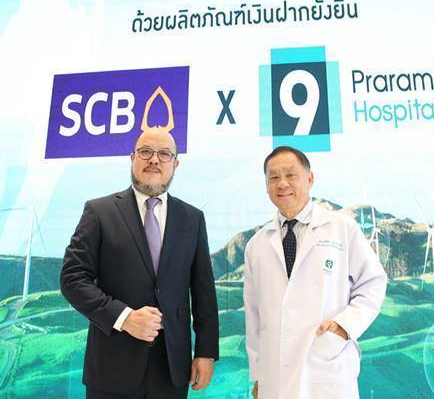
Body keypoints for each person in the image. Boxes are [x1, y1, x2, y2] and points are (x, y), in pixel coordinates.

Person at [60, 128, 219, 399]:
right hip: (111, 367)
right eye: (145, 152)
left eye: (164, 154)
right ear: (132, 158)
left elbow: (203, 291)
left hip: (171, 369)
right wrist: (124, 318)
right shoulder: (99, 212)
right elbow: (73, 279)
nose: (154, 159)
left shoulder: (192, 218)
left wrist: (206, 351)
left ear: (175, 164)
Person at [244, 146, 387, 399]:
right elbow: (254, 316)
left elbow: (373, 283)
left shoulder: (342, 228)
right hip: (274, 377)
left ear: (309, 179)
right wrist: (258, 374)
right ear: (266, 186)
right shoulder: (256, 245)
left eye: (291, 175)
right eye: (273, 177)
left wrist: (344, 325)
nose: (282, 183)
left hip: (327, 371)